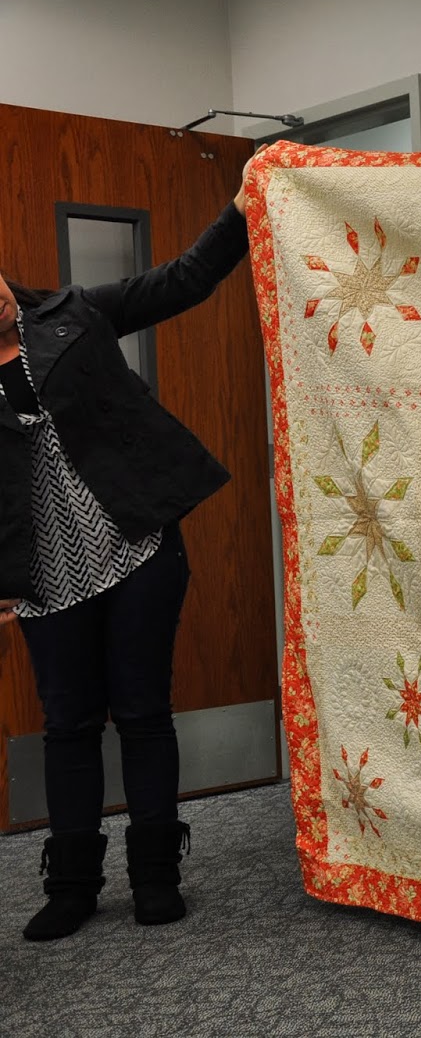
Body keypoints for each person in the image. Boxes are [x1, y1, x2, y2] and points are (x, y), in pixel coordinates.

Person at [0, 159, 256, 941]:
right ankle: (72, 884)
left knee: (143, 712)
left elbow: (181, 280)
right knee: (70, 723)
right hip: (45, 573)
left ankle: (155, 875)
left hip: (136, 547)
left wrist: (243, 209)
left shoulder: (77, 314)